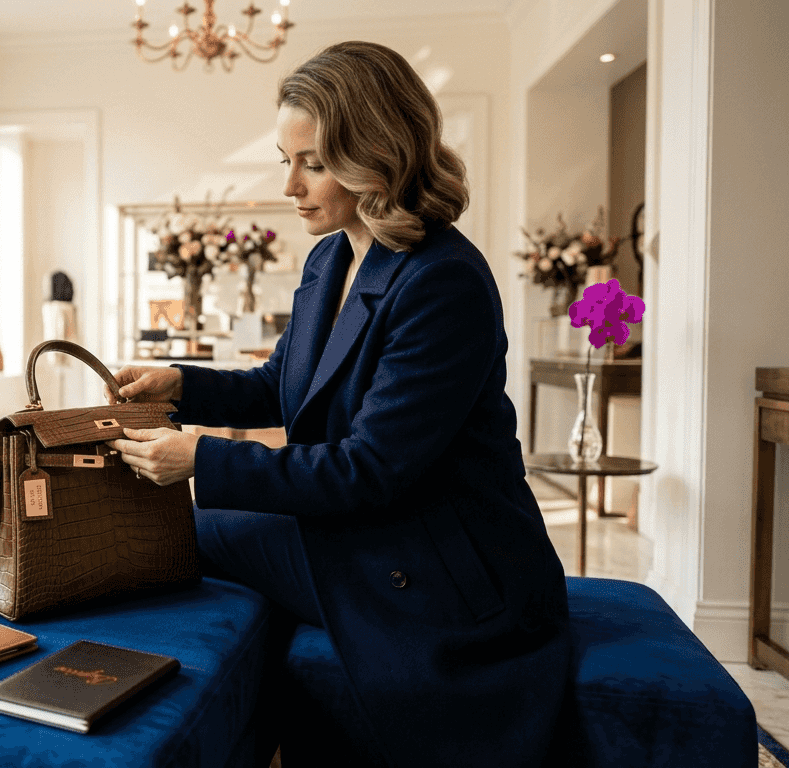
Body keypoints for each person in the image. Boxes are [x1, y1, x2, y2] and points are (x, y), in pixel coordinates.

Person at [108, 41, 571, 767]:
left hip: (441, 567)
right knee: (182, 530)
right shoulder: (332, 257)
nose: (290, 183)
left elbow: (371, 469)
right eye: (286, 157)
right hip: (366, 526)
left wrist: (202, 458)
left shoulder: (444, 281)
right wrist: (181, 382)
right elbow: (279, 385)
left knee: (183, 531)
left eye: (314, 162)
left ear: (377, 154)